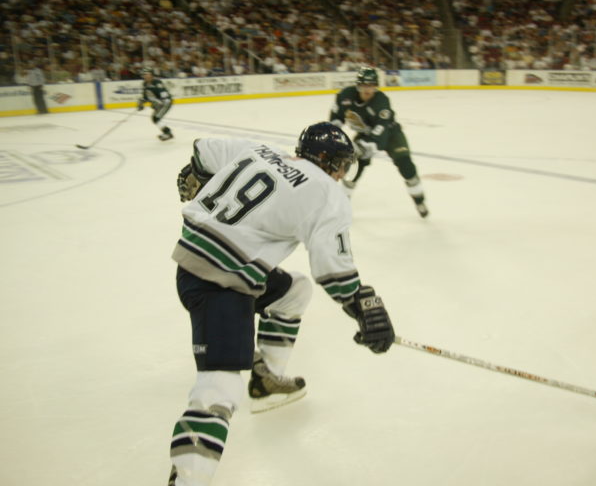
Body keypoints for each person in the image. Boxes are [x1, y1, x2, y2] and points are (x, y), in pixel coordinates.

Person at [169, 121, 395, 486]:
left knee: (294, 291)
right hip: (220, 281)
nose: (341, 174)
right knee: (219, 388)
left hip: (202, 260)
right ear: (329, 162)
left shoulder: (260, 150)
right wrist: (361, 305)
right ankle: (187, 479)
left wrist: (195, 173)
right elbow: (332, 268)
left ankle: (265, 380)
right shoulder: (327, 193)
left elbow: (203, 149)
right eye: (341, 165)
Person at [329, 66, 428, 217]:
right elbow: (336, 118)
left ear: (376, 86)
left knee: (406, 164)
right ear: (358, 85)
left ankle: (419, 200)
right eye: (364, 85)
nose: (368, 90)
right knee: (353, 168)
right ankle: (343, 203)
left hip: (390, 134)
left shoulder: (381, 101)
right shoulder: (345, 95)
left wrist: (365, 146)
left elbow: (381, 130)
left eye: (371, 86)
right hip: (366, 134)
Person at [137, 68, 174, 140]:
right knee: (155, 119)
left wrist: (156, 103)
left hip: (165, 103)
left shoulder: (157, 82)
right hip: (159, 104)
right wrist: (141, 103)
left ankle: (168, 133)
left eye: (147, 74)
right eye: (144, 75)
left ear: (151, 75)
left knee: (156, 118)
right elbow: (146, 96)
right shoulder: (144, 84)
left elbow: (163, 94)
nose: (145, 76)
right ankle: (167, 132)